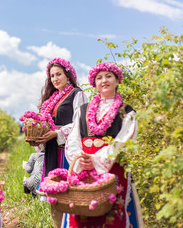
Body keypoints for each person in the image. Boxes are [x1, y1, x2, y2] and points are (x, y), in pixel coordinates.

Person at [63, 62, 144, 227]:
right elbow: (73, 138)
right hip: (83, 167)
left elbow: (124, 140)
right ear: (94, 83)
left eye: (108, 76)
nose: (104, 80)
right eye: (99, 78)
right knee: (82, 213)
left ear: (117, 80)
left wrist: (96, 159)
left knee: (113, 215)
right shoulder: (83, 110)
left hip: (112, 167)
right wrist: (80, 159)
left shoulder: (126, 111)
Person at [35, 57, 88, 228]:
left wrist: (56, 133)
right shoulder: (52, 97)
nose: (55, 78)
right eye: (52, 76)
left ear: (68, 75)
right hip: (52, 148)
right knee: (54, 197)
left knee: (69, 195)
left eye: (59, 74)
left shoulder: (77, 94)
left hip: (67, 149)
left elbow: (80, 122)